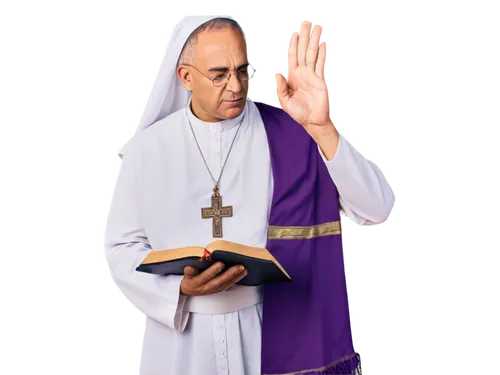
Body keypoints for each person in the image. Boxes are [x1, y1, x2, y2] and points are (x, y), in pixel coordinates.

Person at [103, 12, 396, 375]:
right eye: (219, 74)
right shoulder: (149, 148)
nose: (237, 87)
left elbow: (378, 209)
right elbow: (119, 248)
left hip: (272, 335)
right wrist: (180, 289)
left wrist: (322, 128)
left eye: (243, 70)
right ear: (186, 76)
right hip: (181, 345)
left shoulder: (290, 133)